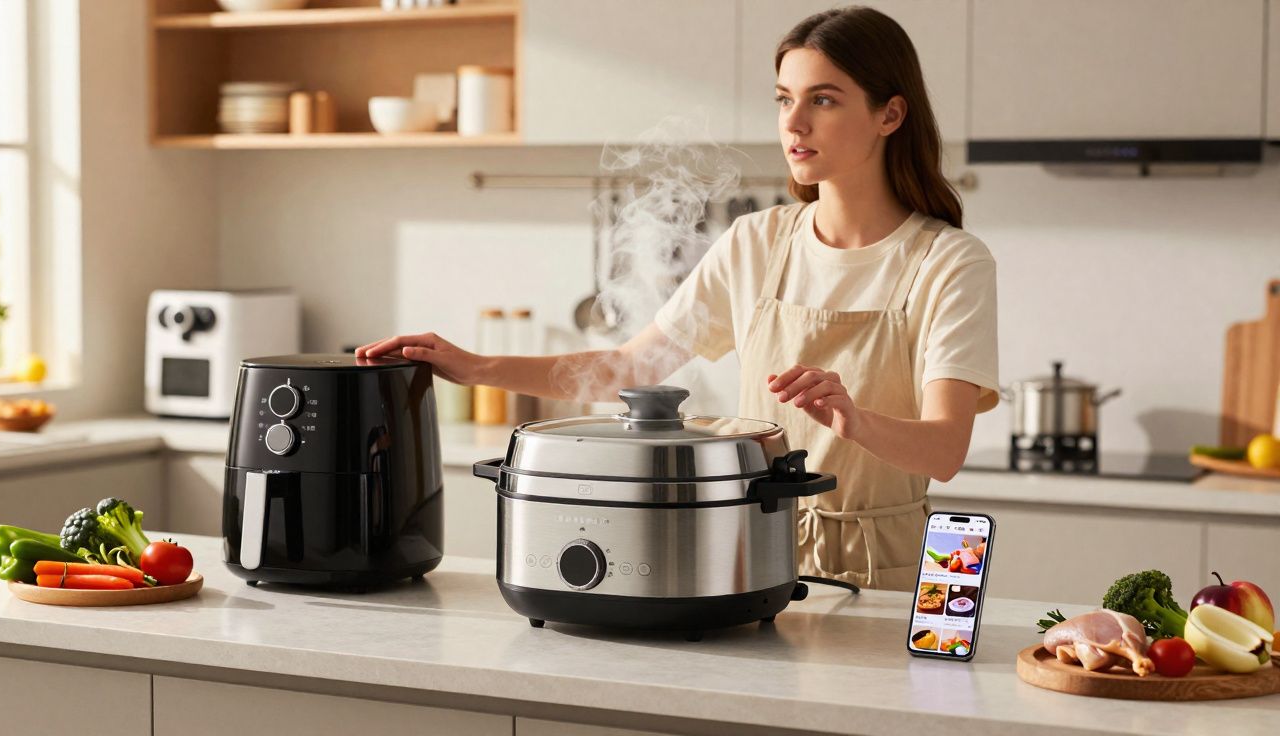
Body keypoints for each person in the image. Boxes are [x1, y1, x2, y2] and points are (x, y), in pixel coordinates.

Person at [357, 6, 998, 592]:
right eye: (783, 100)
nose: (794, 123)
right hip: (754, 551)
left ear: (890, 113)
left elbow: (944, 451)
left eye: (823, 100)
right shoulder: (756, 241)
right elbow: (630, 370)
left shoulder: (948, 261)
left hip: (891, 572)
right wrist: (477, 367)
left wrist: (853, 418)